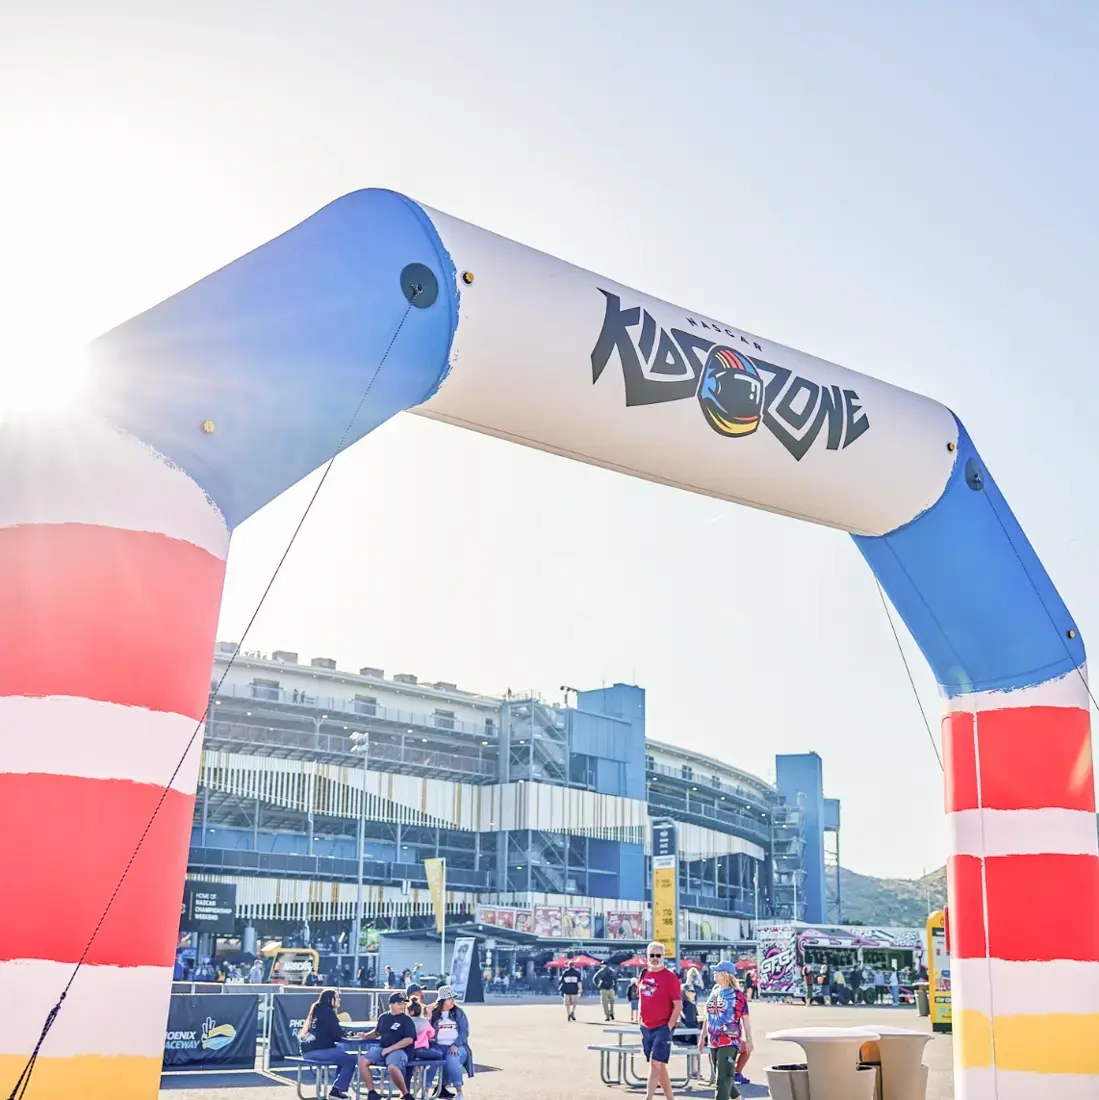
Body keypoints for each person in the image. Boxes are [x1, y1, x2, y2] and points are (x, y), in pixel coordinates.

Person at [700, 962, 753, 1100]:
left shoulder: (738, 995)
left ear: (725, 974)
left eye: (717, 971)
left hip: (729, 1041)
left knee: (722, 1080)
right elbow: (708, 1016)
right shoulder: (714, 992)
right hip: (713, 1041)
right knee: (724, 1074)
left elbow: (745, 1019)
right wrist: (702, 1037)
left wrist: (748, 1040)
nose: (714, 973)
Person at [298, 988, 363, 1100]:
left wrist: (346, 1034)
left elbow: (334, 1033)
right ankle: (336, 1091)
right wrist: (351, 1035)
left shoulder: (318, 1010)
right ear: (330, 999)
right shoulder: (328, 1012)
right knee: (351, 1059)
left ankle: (337, 1088)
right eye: (337, 997)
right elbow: (338, 1035)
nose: (339, 1000)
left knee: (341, 1051)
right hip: (317, 1051)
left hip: (307, 1051)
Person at [639, 941, 682, 1100]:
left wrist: (669, 1026)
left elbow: (678, 1005)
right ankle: (670, 1098)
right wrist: (640, 1021)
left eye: (658, 955)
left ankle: (648, 1098)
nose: (655, 958)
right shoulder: (644, 973)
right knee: (660, 1064)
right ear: (647, 956)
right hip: (646, 1026)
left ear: (663, 956)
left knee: (655, 1063)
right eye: (652, 955)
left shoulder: (670, 977)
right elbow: (642, 998)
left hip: (662, 1026)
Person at [358, 991, 417, 1100]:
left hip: (400, 1050)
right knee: (362, 1060)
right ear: (391, 1004)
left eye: (404, 1003)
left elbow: (409, 1039)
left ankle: (406, 1094)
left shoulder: (407, 1020)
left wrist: (390, 1049)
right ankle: (372, 1092)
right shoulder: (384, 1017)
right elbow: (376, 1033)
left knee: (392, 1067)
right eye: (399, 1003)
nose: (403, 1006)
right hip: (383, 1048)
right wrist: (364, 1036)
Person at [430, 985, 474, 1100]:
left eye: (453, 998)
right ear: (442, 1000)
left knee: (452, 1057)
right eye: (450, 999)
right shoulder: (433, 1014)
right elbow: (427, 1031)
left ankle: (459, 1092)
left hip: (458, 1046)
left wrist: (455, 1045)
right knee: (433, 1057)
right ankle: (427, 1089)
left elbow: (464, 1032)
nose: (453, 1001)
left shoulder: (458, 1013)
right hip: (438, 1046)